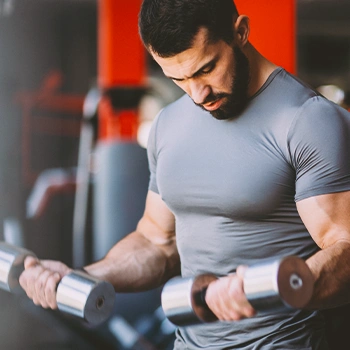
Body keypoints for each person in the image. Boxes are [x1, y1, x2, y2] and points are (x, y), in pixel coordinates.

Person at [19, 0, 350, 349]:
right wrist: (81, 277)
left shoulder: (309, 121)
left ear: (240, 32)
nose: (197, 94)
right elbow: (155, 243)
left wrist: (264, 287)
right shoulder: (168, 124)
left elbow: (345, 247)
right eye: (178, 78)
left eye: (206, 69)